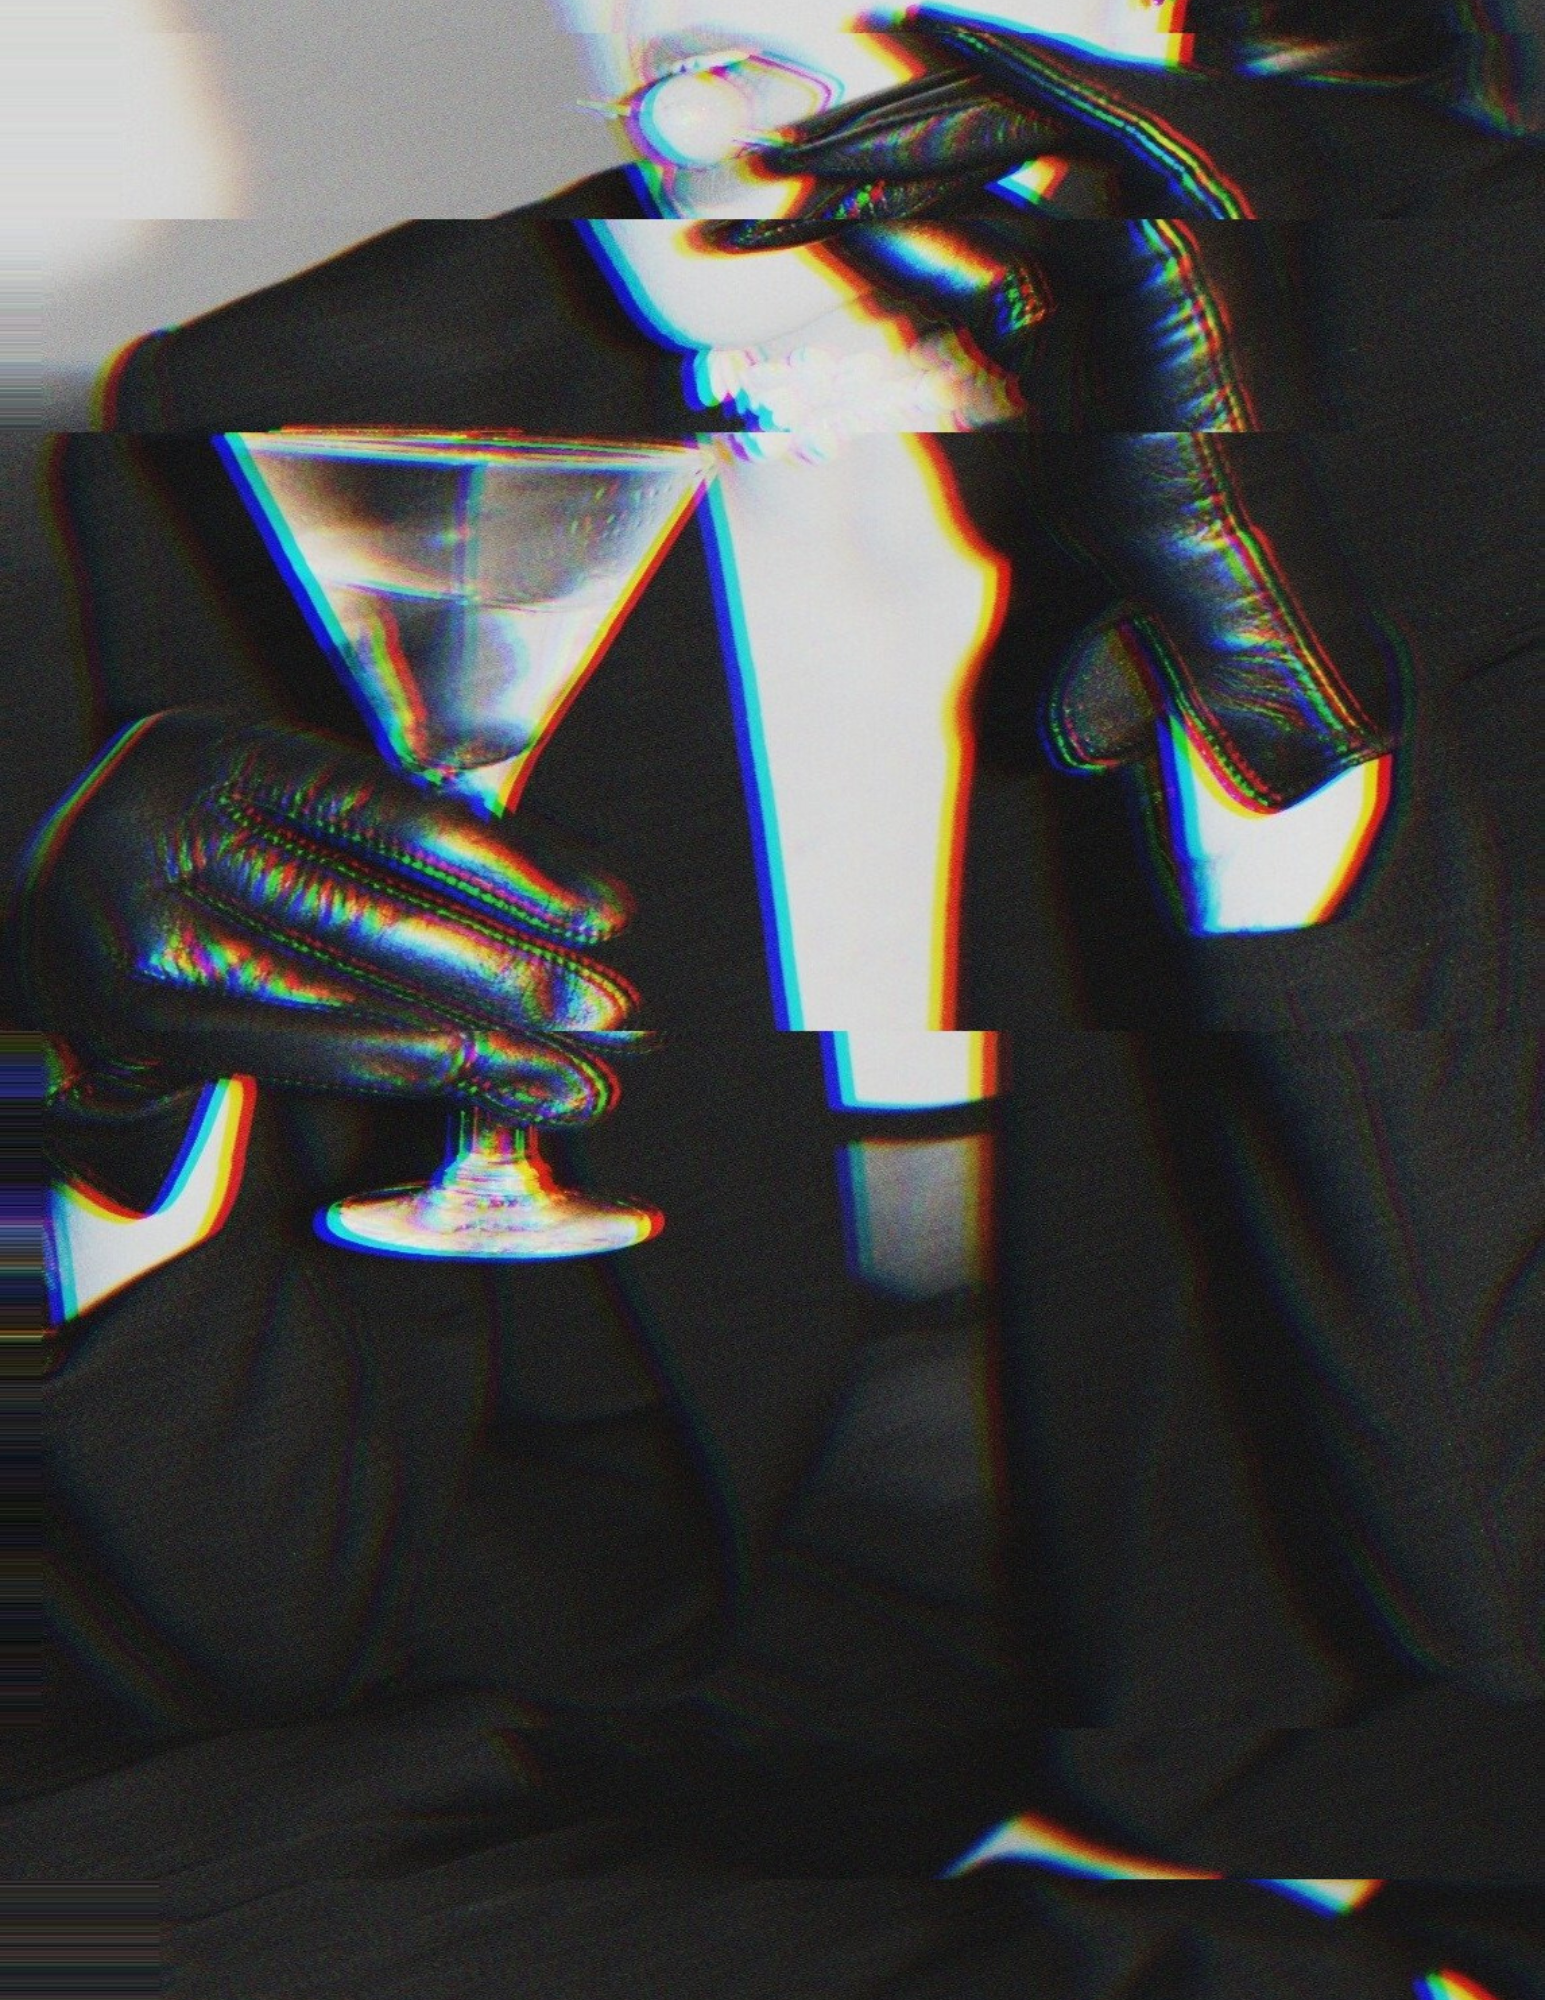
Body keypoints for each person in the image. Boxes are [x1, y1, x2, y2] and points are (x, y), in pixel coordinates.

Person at [8, 1, 1543, 1993]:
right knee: (97, 1909)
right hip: (726, 1757)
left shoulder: (1489, 337)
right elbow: (281, 1620)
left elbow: (1505, 1581)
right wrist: (103, 1089)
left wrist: (1293, 759)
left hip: (1419, 1745)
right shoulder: (322, 412)